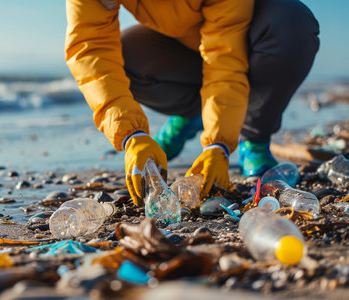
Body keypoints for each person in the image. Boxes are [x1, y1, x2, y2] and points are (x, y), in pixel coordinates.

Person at [65, 0, 319, 205]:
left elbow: (224, 59)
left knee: (291, 22)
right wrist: (131, 134)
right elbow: (90, 49)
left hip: (250, 37)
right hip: (185, 48)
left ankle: (254, 136)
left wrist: (219, 143)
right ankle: (192, 114)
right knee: (125, 55)